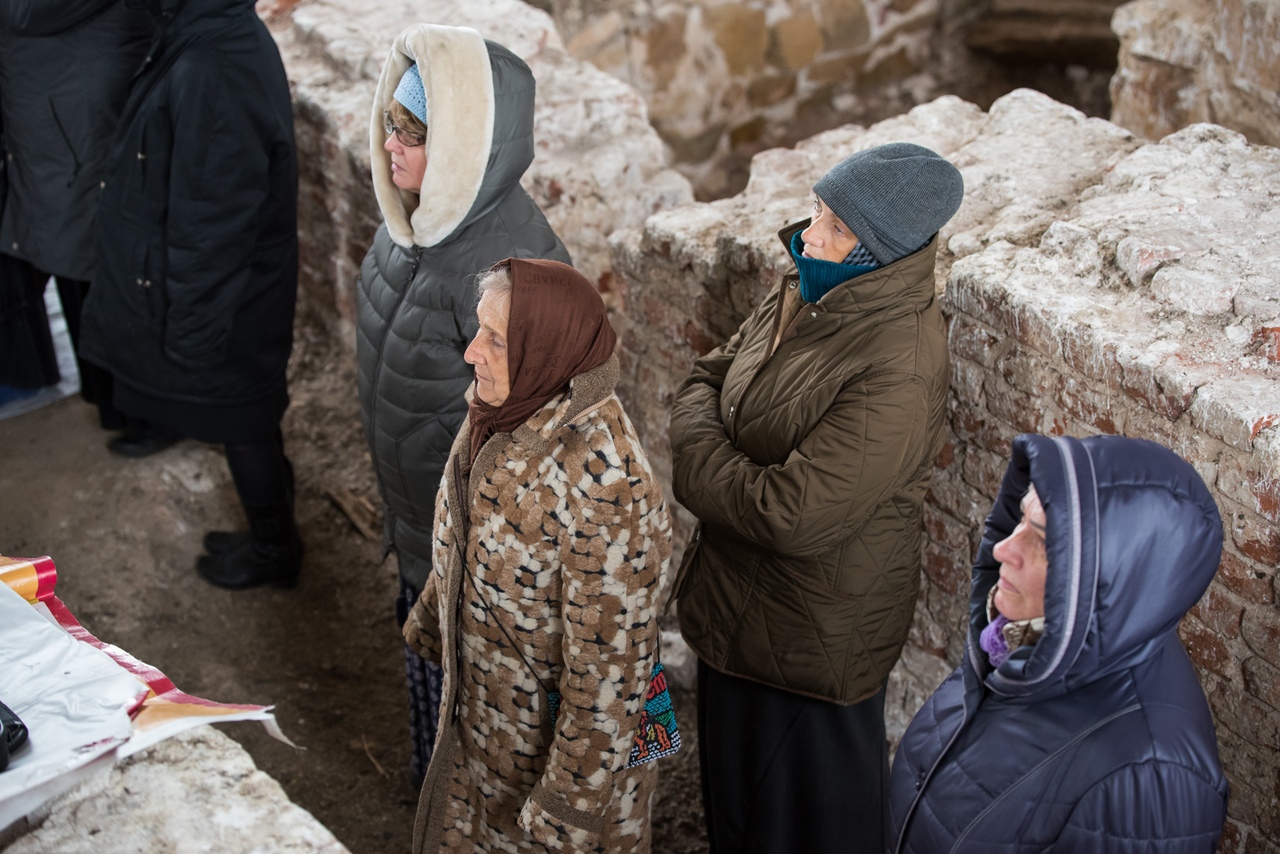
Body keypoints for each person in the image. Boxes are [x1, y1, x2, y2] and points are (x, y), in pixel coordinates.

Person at [668, 142, 964, 852]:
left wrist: (698, 460)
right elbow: (705, 379)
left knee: (807, 831)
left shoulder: (899, 364)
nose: (810, 236)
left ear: (879, 251)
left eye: (836, 226)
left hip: (811, 644)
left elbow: (789, 514)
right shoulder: (808, 287)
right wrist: (719, 455)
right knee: (737, 817)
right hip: (737, 612)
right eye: (816, 210)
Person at [356, 23, 571, 788]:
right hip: (423, 532)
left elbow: (541, 453)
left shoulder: (511, 269)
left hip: (478, 563)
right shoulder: (411, 225)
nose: (391, 144)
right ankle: (437, 804)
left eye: (413, 133)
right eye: (390, 122)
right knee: (436, 706)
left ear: (463, 146)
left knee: (485, 727)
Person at [401, 257, 672, 852]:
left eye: (495, 340)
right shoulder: (506, 406)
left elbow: (611, 675)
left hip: (556, 763)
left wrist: (565, 811)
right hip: (493, 726)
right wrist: (433, 615)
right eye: (479, 329)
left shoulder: (608, 486)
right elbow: (470, 519)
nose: (471, 353)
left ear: (543, 350)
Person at [888, 433, 1229, 852]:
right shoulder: (1016, 643)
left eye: (1044, 542)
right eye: (1020, 519)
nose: (1003, 549)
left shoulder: (1151, 782)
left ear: (1107, 580)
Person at [79, 0, 301, 588]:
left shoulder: (215, 65)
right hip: (238, 283)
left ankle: (275, 551)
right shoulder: (212, 33)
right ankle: (273, 535)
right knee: (249, 416)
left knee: (243, 420)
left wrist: (193, 334)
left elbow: (214, 221)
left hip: (233, 291)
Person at [0, 0, 152, 428]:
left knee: (98, 260)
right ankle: (115, 402)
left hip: (78, 106)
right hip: (62, 107)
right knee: (81, 259)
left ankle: (129, 408)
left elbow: (23, 13)